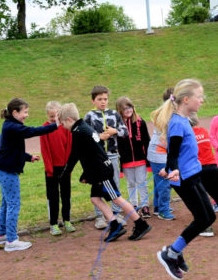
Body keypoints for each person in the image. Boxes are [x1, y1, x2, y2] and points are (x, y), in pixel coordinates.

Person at [59, 103, 151, 242]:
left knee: (116, 198)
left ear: (69, 120)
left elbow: (75, 155)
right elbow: (91, 152)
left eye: (62, 122)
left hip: (102, 171)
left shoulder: (79, 132)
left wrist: (66, 173)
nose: (62, 125)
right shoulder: (83, 127)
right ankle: (115, 225)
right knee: (95, 199)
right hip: (98, 170)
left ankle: (140, 224)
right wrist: (87, 174)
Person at [153, 79, 216, 280]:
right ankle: (170, 254)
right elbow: (172, 154)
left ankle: (174, 252)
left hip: (194, 175)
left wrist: (172, 168)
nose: (202, 100)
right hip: (184, 180)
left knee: (210, 217)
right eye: (199, 97)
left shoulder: (183, 120)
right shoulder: (177, 123)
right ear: (186, 99)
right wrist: (174, 170)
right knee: (203, 219)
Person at [0, 98, 57, 252]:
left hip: (2, 169)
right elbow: (32, 131)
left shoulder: (11, 126)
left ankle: (1, 235)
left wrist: (28, 157)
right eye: (25, 112)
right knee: (13, 204)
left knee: (7, 203)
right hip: (7, 172)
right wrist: (56, 125)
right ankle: (11, 240)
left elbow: (12, 150)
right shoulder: (12, 127)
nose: (27, 115)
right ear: (15, 112)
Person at [84, 85, 128, 229]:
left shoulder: (114, 114)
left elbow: (125, 131)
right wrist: (98, 137)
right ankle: (100, 216)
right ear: (93, 101)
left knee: (114, 183)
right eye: (99, 99)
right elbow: (85, 136)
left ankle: (116, 212)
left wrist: (114, 131)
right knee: (99, 185)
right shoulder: (89, 116)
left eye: (105, 99)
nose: (103, 102)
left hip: (113, 155)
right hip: (97, 158)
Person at [39, 101, 75, 236]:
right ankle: (53, 224)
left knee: (66, 195)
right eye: (51, 117)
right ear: (47, 116)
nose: (54, 120)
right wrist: (49, 169)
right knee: (53, 197)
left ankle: (67, 220)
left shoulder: (65, 127)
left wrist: (68, 167)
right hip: (51, 170)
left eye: (56, 116)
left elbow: (69, 147)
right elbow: (45, 150)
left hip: (64, 168)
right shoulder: (44, 128)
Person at [116, 96, 151, 218]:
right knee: (131, 183)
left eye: (129, 107)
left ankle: (145, 206)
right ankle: (134, 206)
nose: (128, 110)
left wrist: (148, 160)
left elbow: (147, 141)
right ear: (120, 110)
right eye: (124, 108)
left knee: (142, 182)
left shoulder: (140, 122)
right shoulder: (117, 126)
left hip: (140, 159)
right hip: (126, 161)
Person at [147, 88, 175, 220]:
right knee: (165, 183)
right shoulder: (168, 116)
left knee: (159, 181)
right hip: (159, 154)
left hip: (156, 153)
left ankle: (158, 207)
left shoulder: (165, 113)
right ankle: (163, 210)